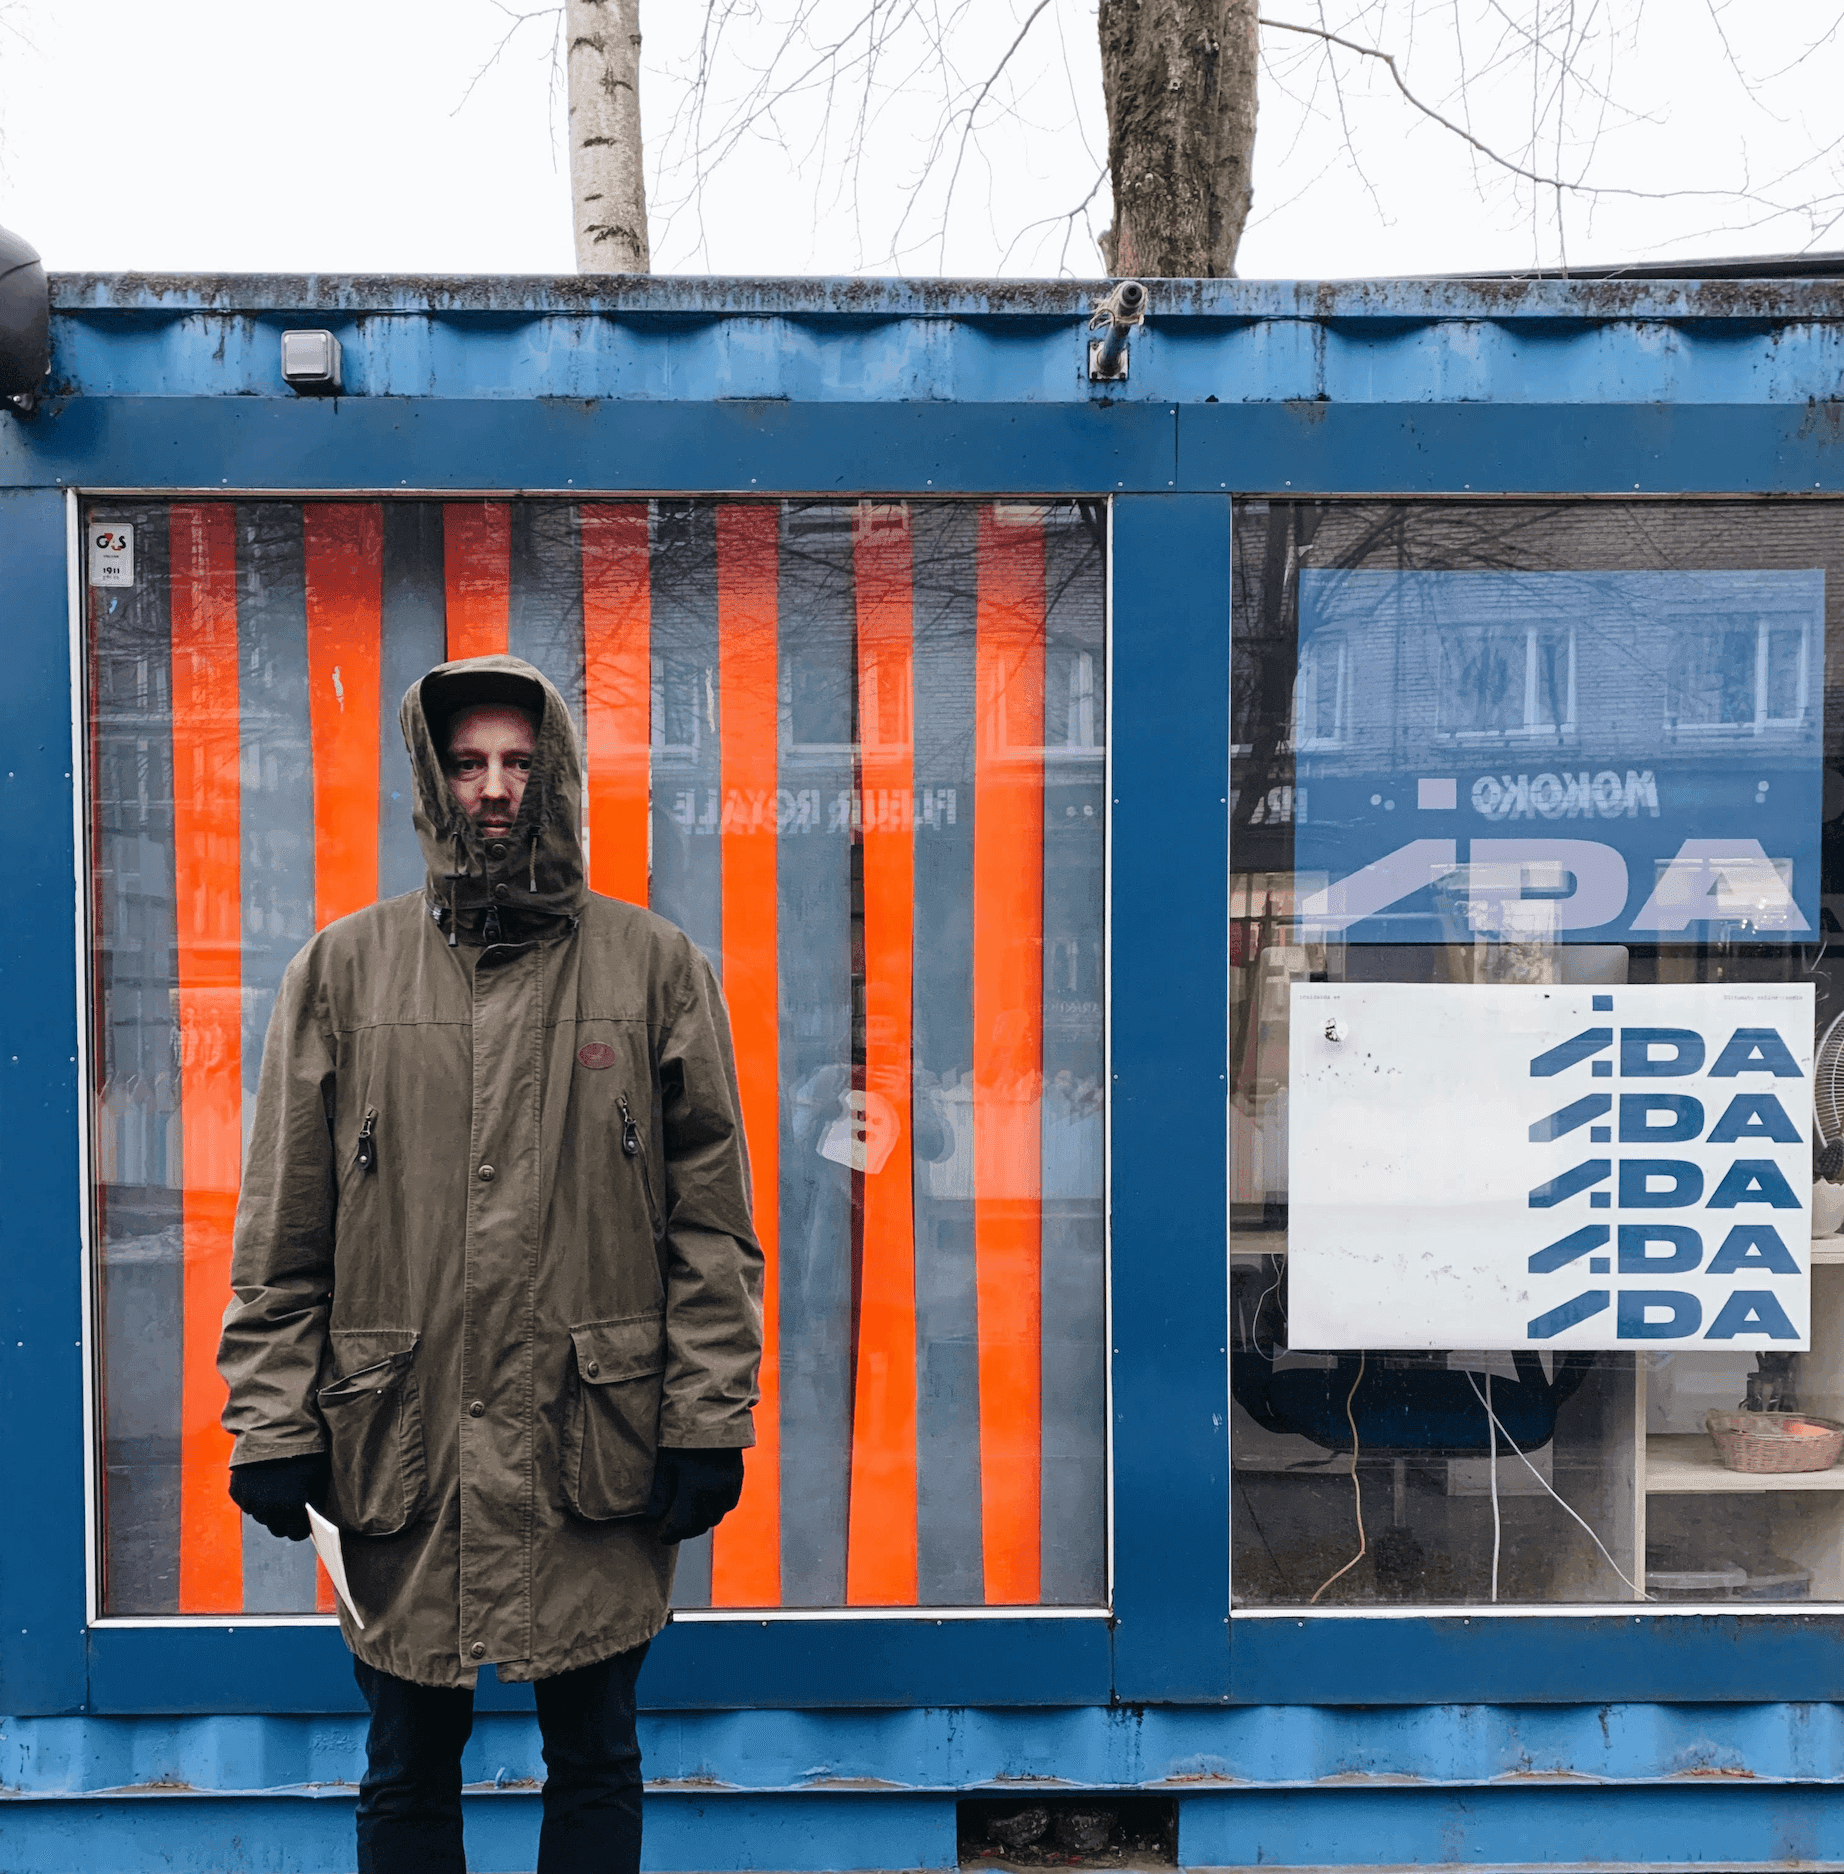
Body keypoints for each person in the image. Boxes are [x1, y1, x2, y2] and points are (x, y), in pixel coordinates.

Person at [216, 654, 764, 1874]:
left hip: (593, 1439)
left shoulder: (652, 966)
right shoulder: (343, 971)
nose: (496, 787)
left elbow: (710, 1224)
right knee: (405, 1763)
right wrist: (270, 1420)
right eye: (468, 762)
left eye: (519, 760)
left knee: (597, 1756)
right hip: (400, 1443)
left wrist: (707, 1414)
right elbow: (283, 1231)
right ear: (431, 776)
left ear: (555, 771)